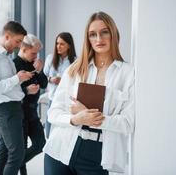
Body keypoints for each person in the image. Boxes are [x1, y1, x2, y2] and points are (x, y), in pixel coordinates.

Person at [43, 11, 135, 175]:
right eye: (93, 34)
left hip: (98, 156)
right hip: (59, 147)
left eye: (104, 32)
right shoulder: (75, 69)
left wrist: (92, 119)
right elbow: (53, 113)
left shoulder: (128, 73)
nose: (99, 39)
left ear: (114, 34)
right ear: (88, 39)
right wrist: (75, 118)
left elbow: (128, 123)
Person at [0, 21, 33, 175]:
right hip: (5, 110)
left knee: (3, 152)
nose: (18, 46)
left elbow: (9, 86)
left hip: (13, 108)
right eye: (17, 41)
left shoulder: (6, 57)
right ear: (7, 36)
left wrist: (22, 83)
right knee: (17, 154)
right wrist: (17, 79)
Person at [13, 34, 47, 175]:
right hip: (19, 111)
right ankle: (16, 168)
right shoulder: (14, 64)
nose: (36, 56)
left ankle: (12, 166)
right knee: (22, 147)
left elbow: (44, 84)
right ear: (24, 48)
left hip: (32, 112)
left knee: (40, 144)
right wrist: (26, 91)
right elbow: (9, 91)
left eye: (37, 53)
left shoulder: (34, 64)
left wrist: (39, 71)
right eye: (33, 53)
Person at [43, 32, 76, 137]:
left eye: (62, 44)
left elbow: (77, 82)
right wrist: (51, 79)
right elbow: (43, 77)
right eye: (57, 43)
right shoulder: (50, 58)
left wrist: (63, 81)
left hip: (67, 102)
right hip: (52, 99)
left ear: (69, 45)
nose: (58, 46)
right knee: (49, 134)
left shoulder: (75, 61)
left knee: (63, 134)